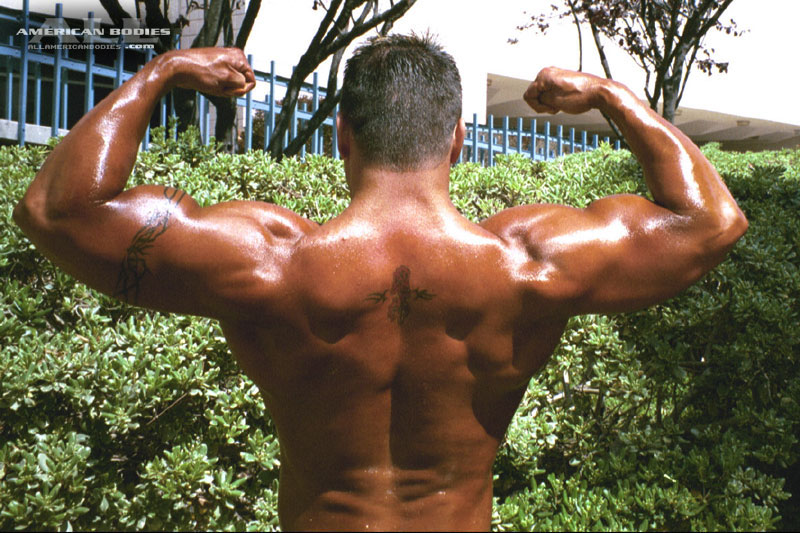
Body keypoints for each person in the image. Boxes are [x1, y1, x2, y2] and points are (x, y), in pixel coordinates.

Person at [13, 34, 747, 531]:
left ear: (342, 135)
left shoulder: (269, 265)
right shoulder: (527, 265)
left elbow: (57, 210)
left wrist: (161, 72)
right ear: (457, 139)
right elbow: (711, 221)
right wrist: (613, 96)